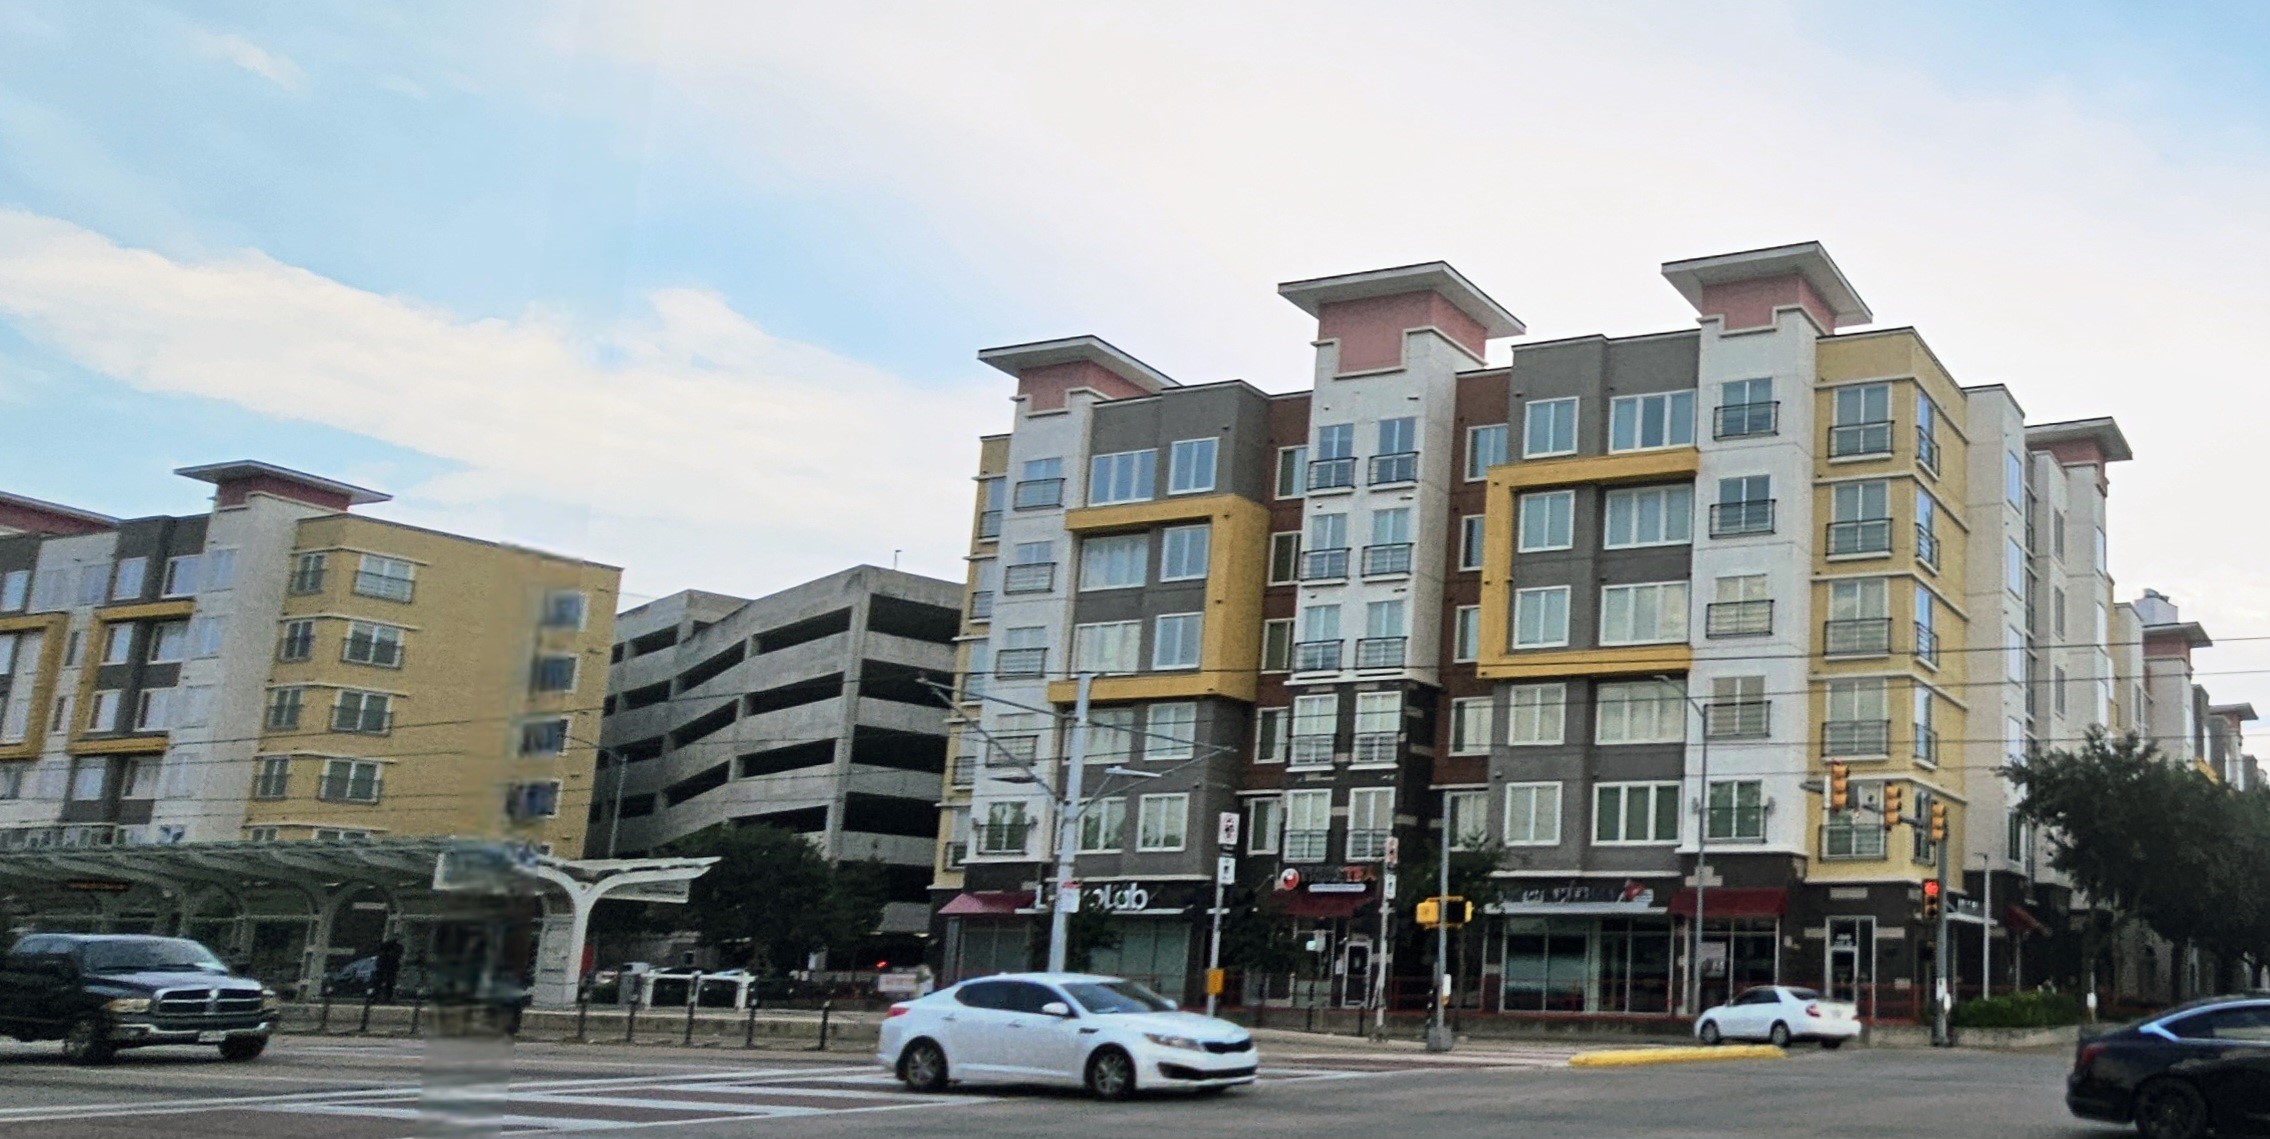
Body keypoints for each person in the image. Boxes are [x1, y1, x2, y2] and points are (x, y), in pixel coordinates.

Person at [373, 935, 404, 1003]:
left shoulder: (387, 958)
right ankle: (381, 997)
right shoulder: (386, 958)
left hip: (388, 970)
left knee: (387, 984)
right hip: (387, 970)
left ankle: (383, 997)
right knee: (386, 983)